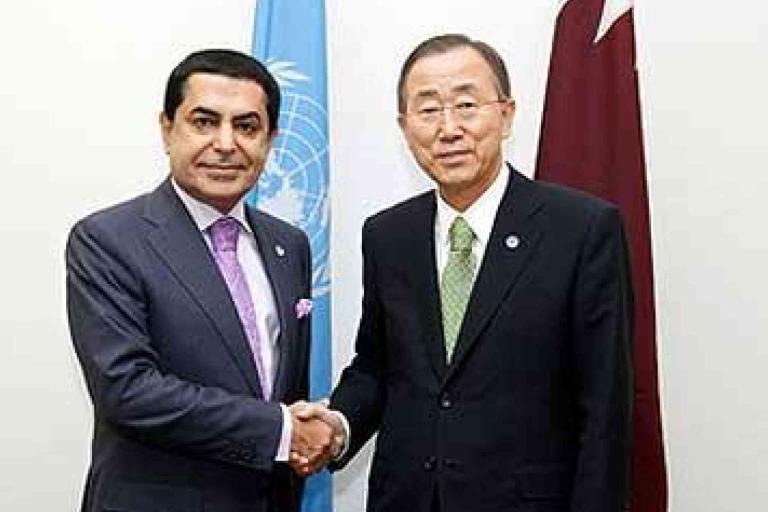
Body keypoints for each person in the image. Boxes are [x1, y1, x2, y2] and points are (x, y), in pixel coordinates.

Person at [327, 34, 634, 512]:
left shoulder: (581, 229)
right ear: (405, 127)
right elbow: (377, 367)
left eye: (466, 105)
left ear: (506, 114)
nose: (448, 128)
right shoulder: (388, 235)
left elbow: (605, 406)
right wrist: (336, 426)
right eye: (428, 110)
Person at [66, 49, 338, 512]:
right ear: (167, 129)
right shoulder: (107, 239)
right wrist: (281, 430)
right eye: (204, 122)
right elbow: (127, 390)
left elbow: (280, 388)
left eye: (247, 127)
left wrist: (308, 427)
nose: (226, 143)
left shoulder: (288, 244)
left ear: (270, 140)